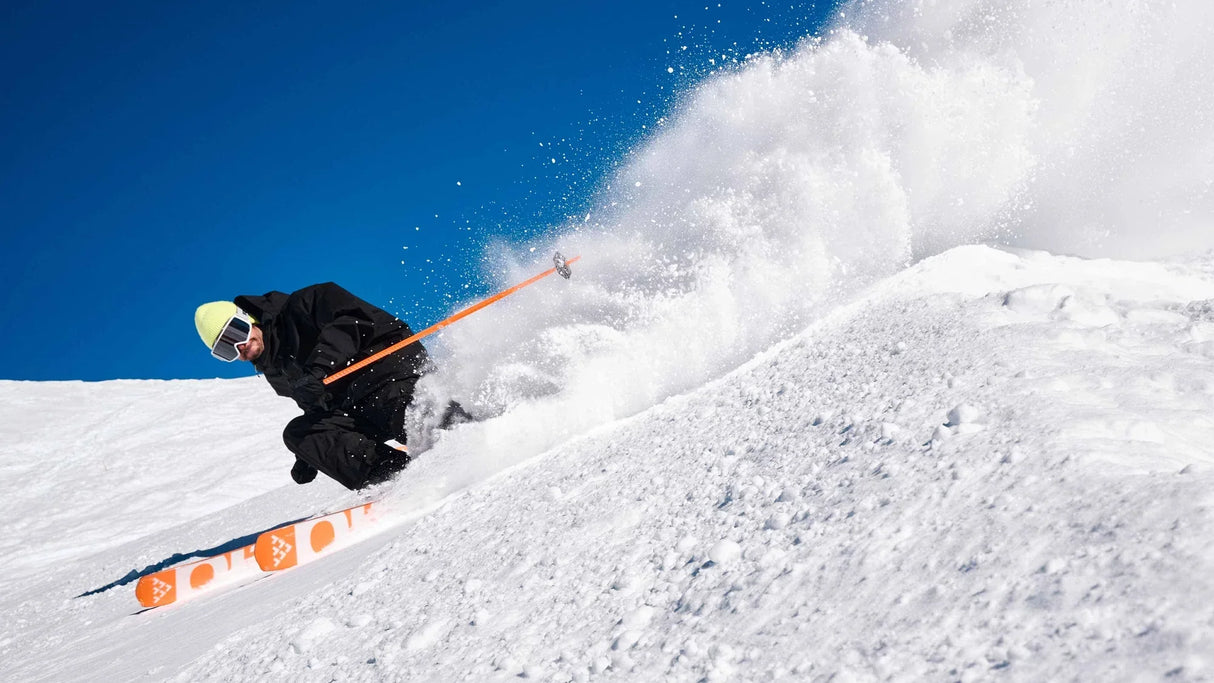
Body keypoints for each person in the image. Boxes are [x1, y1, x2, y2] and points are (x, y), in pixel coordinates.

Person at [194, 282, 467, 490]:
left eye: (235, 332)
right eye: (225, 349)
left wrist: (319, 368)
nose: (239, 346)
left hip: (390, 374)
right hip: (358, 409)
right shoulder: (276, 372)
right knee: (299, 433)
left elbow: (352, 320)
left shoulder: (304, 305)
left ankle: (464, 435)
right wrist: (309, 454)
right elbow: (318, 407)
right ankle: (392, 476)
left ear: (247, 318)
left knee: (396, 407)